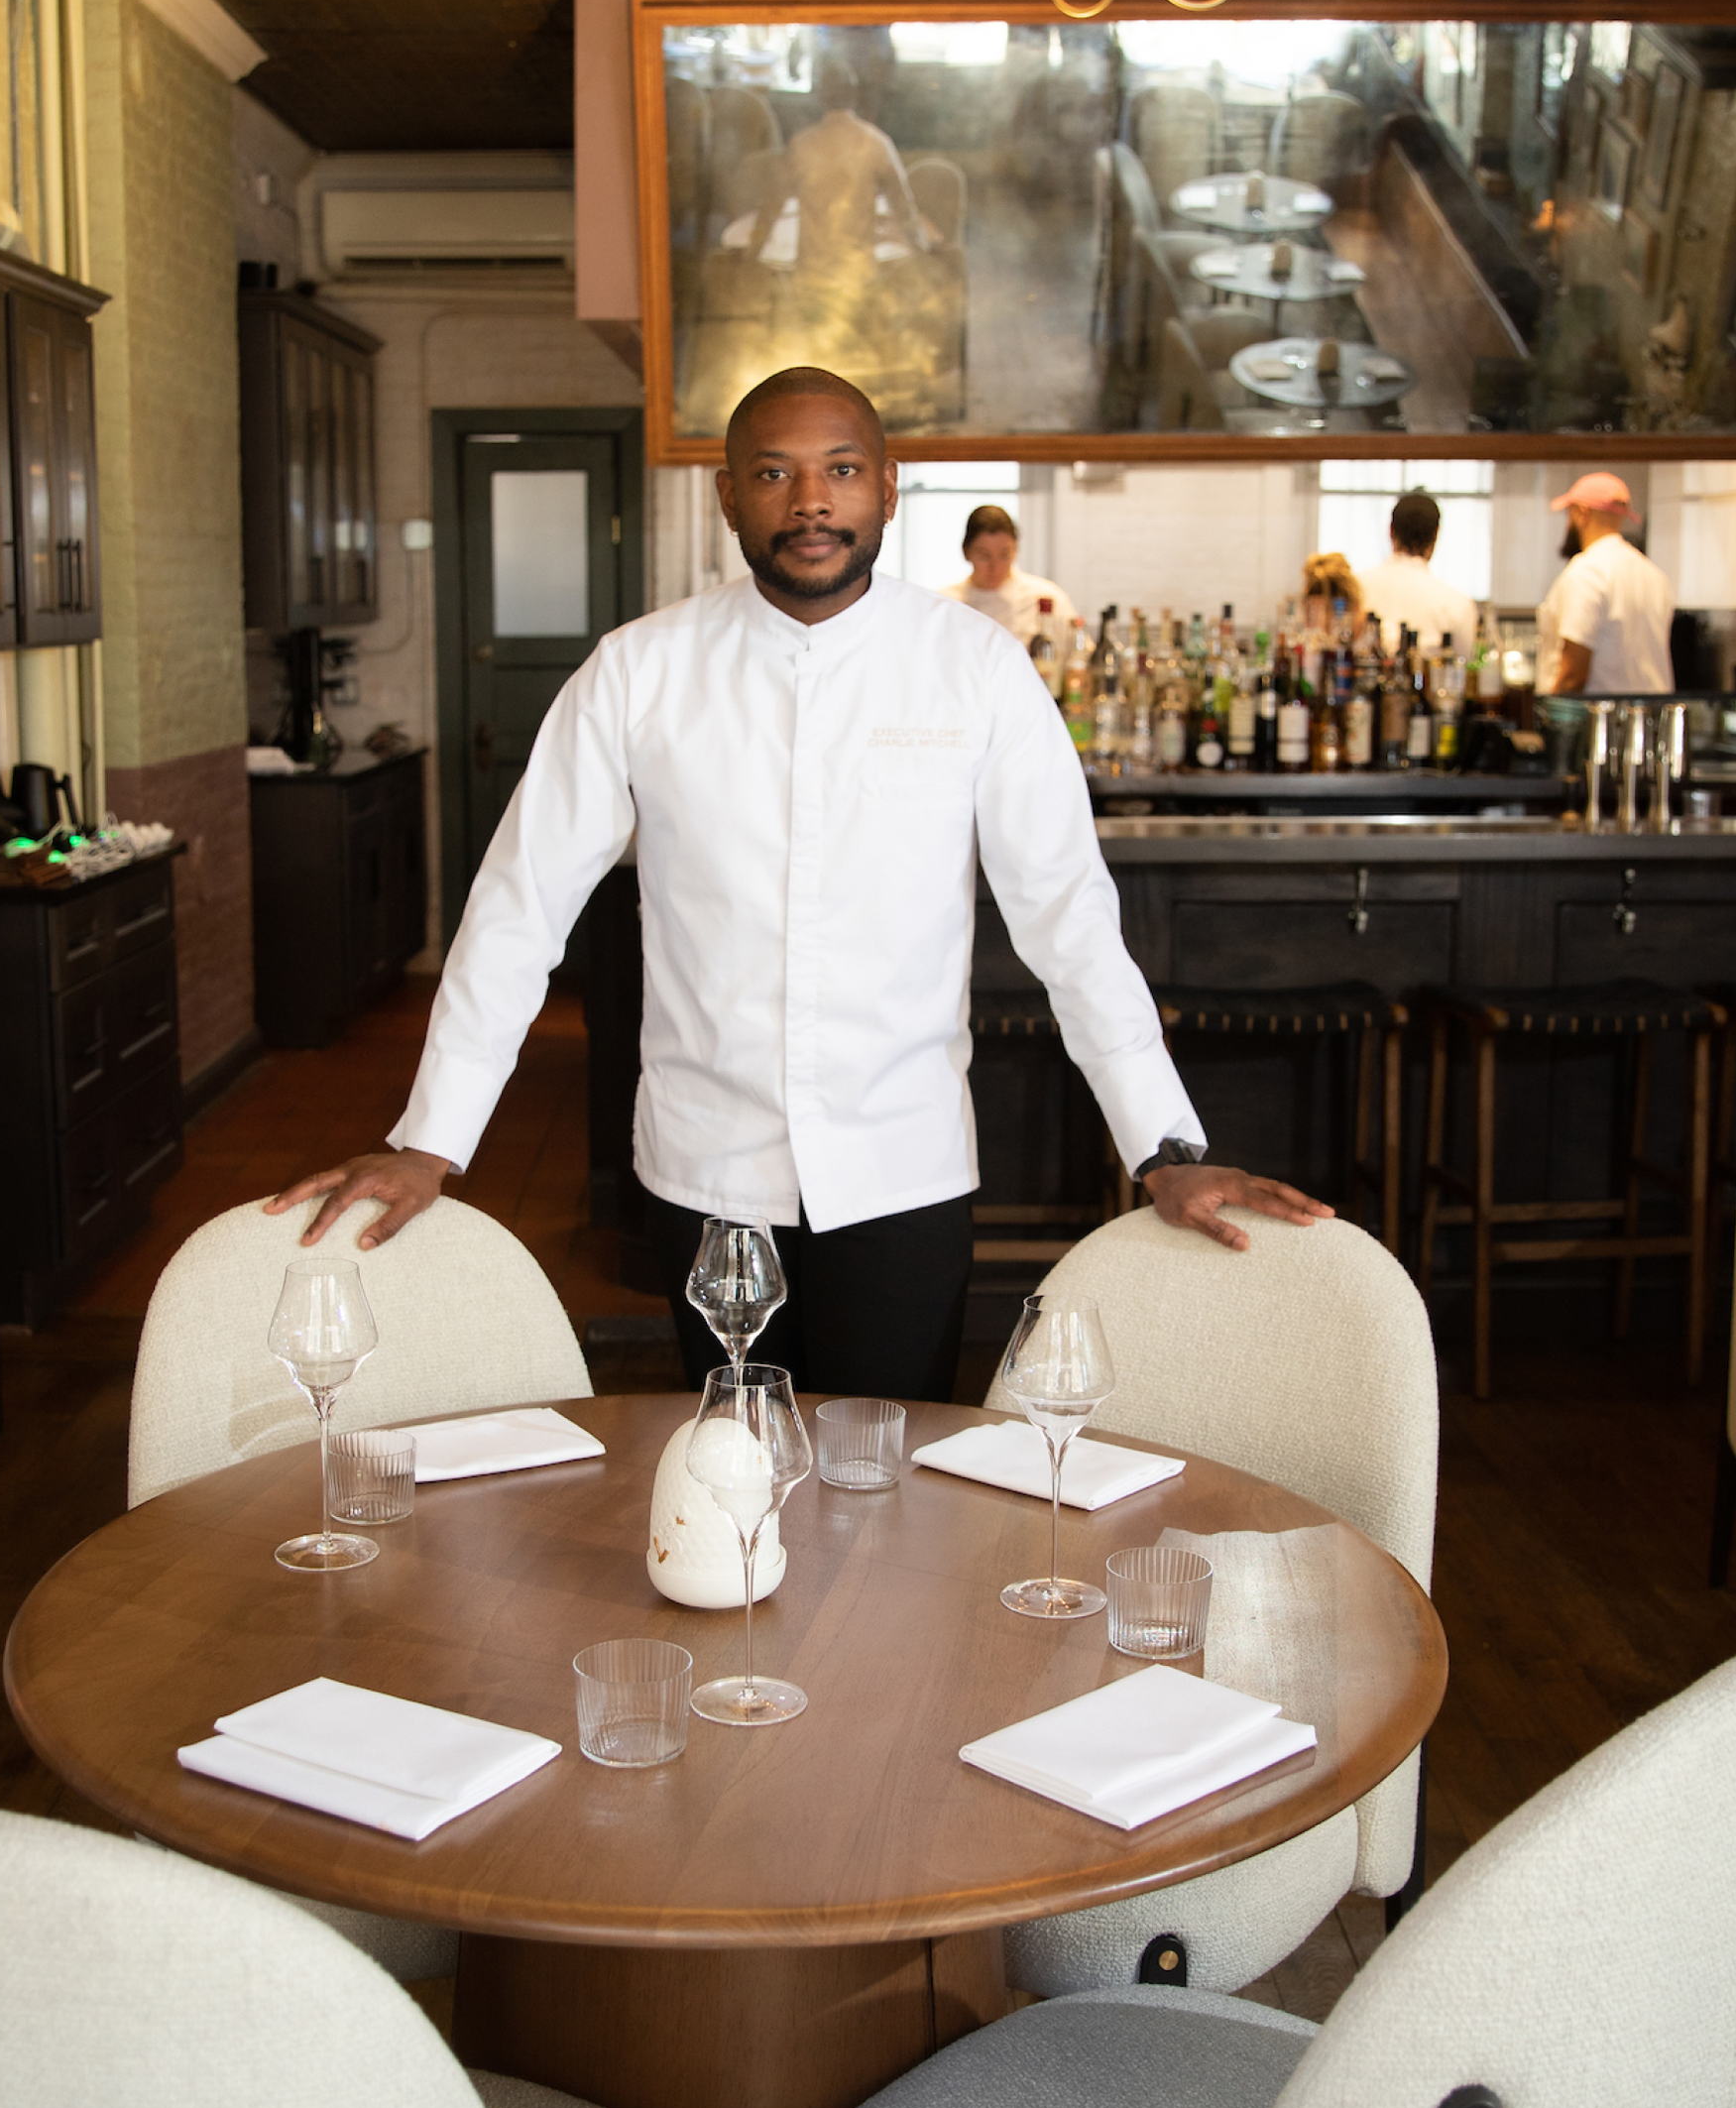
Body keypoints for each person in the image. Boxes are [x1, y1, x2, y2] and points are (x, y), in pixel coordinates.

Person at [270, 366, 1328, 1400]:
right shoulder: (639, 670)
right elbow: (519, 906)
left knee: (889, 1500)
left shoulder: (975, 667)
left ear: (888, 486)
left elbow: (1070, 922)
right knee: (734, 1481)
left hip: (903, 1167)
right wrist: (429, 1140)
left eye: (842, 468)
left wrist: (1166, 1147)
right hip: (706, 1175)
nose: (811, 500)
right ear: (727, 494)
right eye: (773, 473)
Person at [1536, 470, 1676, 695]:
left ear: (1582, 513)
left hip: (1598, 723)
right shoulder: (1654, 576)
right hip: (1651, 720)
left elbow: (1573, 676)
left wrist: (1552, 720)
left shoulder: (1586, 573)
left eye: (1569, 516)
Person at [1357, 489, 1479, 652]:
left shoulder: (1354, 589)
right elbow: (1463, 665)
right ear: (1436, 535)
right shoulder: (1458, 604)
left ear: (1390, 530)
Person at [940, 505, 1073, 653]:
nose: (995, 566)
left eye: (1004, 555)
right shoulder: (947, 604)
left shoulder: (1047, 598)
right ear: (966, 552)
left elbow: (1080, 658)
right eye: (984, 556)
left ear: (1015, 550)